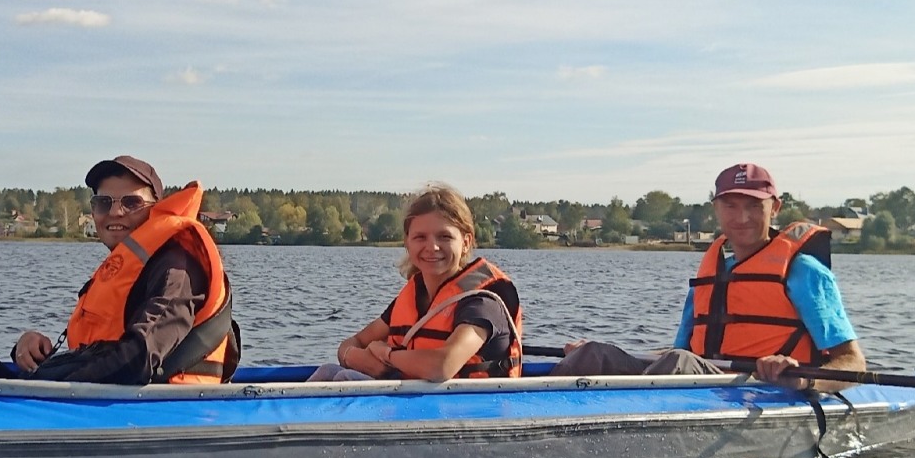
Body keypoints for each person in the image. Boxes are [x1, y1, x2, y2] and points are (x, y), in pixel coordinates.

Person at [0, 156, 238, 384]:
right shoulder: (132, 265)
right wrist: (30, 351)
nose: (115, 212)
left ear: (156, 211)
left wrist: (54, 383)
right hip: (81, 399)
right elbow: (103, 351)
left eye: (131, 203)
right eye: (104, 203)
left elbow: (138, 358)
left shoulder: (176, 270)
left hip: (147, 412)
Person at [552, 162, 866, 391]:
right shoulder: (711, 274)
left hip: (760, 389)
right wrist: (607, 353)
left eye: (754, 206)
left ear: (776, 207)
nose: (742, 217)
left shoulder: (804, 271)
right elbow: (682, 352)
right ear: (716, 208)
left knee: (679, 364)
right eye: (730, 205)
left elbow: (853, 362)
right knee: (593, 353)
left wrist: (805, 377)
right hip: (701, 379)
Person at [332, 184, 523, 381]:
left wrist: (386, 355)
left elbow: (442, 366)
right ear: (407, 243)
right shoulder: (414, 296)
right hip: (416, 403)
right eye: (420, 237)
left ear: (466, 242)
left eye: (444, 237)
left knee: (344, 379)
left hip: (467, 408)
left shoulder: (482, 303)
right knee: (330, 372)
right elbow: (352, 342)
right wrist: (355, 357)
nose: (432, 247)